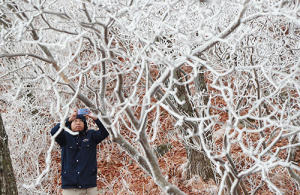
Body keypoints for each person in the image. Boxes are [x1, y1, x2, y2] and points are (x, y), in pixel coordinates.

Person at [51, 108, 109, 195]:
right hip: (70, 186)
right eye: (75, 121)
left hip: (89, 186)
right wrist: (68, 119)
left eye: (81, 121)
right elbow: (53, 132)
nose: (78, 123)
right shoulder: (64, 137)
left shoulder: (91, 136)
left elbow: (106, 131)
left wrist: (96, 119)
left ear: (84, 124)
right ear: (70, 124)